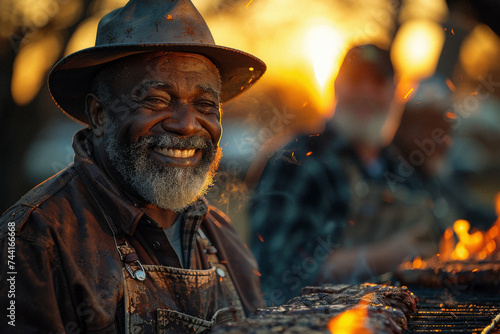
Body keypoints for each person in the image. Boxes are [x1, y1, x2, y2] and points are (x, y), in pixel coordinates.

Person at [0, 0, 266, 332]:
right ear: (99, 115)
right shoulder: (34, 238)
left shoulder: (220, 235)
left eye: (205, 104)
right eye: (156, 99)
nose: (186, 125)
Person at [250, 44, 441, 306]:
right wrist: (387, 255)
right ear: (336, 86)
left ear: (396, 92)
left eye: (378, 81)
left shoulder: (403, 168)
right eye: (355, 79)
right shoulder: (296, 160)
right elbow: (276, 273)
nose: (365, 91)